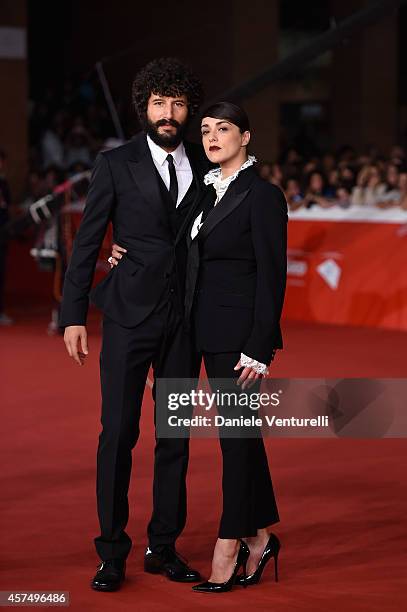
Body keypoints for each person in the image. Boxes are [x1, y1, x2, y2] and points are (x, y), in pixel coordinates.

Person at [111, 101, 288, 593]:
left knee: (236, 440)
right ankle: (261, 535)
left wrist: (259, 346)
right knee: (237, 437)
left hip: (236, 342)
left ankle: (230, 542)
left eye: (223, 129)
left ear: (246, 137)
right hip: (187, 332)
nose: (211, 137)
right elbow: (168, 245)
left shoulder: (263, 196)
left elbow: (272, 280)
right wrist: (122, 248)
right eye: (206, 130)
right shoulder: (200, 194)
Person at [60, 57, 212, 592]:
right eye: (158, 103)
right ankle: (111, 552)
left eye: (177, 103)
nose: (168, 113)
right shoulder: (115, 163)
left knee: (174, 437)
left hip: (184, 320)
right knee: (118, 434)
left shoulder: (206, 161)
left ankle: (163, 546)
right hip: (127, 316)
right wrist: (73, 315)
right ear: (143, 108)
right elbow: (87, 241)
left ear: (188, 108)